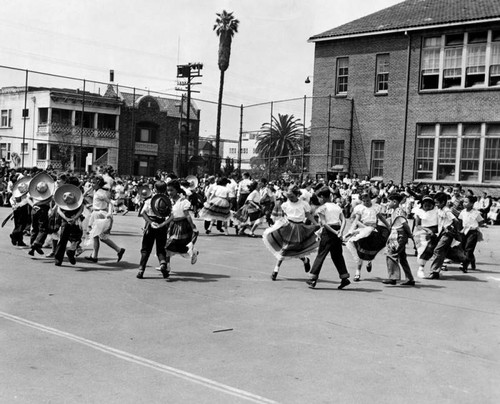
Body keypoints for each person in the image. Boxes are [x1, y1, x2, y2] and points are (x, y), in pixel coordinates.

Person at [262, 185, 319, 281]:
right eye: (288, 197)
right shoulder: (285, 204)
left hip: (299, 228)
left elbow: (308, 214)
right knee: (285, 249)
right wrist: (277, 224)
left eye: (292, 196)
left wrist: (315, 223)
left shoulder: (303, 204)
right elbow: (283, 216)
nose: (290, 198)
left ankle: (305, 260)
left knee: (296, 249)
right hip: (288, 227)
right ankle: (276, 270)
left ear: (297, 195)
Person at [306, 187, 350, 289]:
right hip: (337, 229)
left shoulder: (322, 208)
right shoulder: (337, 206)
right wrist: (340, 232)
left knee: (321, 254)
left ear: (322, 197)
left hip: (328, 232)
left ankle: (313, 278)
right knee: (337, 255)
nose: (319, 200)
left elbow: (324, 223)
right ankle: (344, 277)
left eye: (319, 198)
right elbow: (343, 220)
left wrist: (335, 232)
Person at [344, 191, 390, 281]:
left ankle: (369, 260)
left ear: (370, 199)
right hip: (363, 228)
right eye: (364, 201)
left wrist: (388, 226)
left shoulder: (375, 207)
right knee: (359, 249)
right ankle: (358, 272)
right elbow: (357, 221)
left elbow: (381, 218)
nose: (366, 202)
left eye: (368, 200)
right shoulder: (360, 208)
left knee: (373, 247)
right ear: (362, 201)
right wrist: (364, 228)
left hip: (374, 229)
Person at [160, 180, 199, 279]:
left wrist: (193, 226)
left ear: (177, 190)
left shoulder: (184, 201)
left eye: (171, 190)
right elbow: (169, 216)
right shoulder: (169, 201)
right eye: (168, 191)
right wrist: (163, 224)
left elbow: (187, 215)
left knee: (179, 245)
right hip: (172, 226)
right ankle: (167, 266)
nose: (169, 193)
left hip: (182, 226)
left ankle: (193, 251)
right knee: (167, 245)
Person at [85, 176, 125, 263]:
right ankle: (95, 256)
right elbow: (94, 201)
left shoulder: (100, 193)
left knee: (100, 237)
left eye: (94, 183)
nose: (92, 184)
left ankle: (118, 250)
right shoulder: (97, 191)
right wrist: (91, 205)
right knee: (97, 236)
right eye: (91, 182)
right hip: (96, 213)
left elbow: (110, 203)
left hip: (99, 214)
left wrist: (110, 213)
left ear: (98, 183)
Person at [426, 192, 460, 280]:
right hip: (441, 232)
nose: (436, 204)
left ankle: (434, 271)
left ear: (443, 202)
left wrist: (456, 232)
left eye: (437, 203)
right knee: (442, 251)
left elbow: (455, 220)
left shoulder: (446, 210)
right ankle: (437, 270)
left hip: (448, 233)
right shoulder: (439, 210)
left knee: (438, 250)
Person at [383, 193, 415, 286]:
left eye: (389, 201)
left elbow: (405, 224)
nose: (387, 203)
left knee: (391, 254)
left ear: (394, 202)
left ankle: (393, 278)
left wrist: (410, 235)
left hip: (399, 235)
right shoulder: (394, 211)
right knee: (402, 257)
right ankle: (410, 279)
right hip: (396, 234)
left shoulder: (398, 212)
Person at [53, 184, 85, 267]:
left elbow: (59, 211)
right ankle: (71, 250)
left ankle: (58, 259)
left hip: (65, 222)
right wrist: (74, 218)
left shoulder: (61, 204)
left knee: (62, 240)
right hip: (76, 222)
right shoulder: (79, 203)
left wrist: (66, 219)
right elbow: (81, 209)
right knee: (76, 238)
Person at [413, 196, 439, 279]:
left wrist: (433, 231)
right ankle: (421, 269)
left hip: (435, 232)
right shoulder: (419, 212)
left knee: (437, 249)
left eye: (429, 204)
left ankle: (437, 267)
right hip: (422, 232)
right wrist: (427, 230)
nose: (427, 206)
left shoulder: (436, 211)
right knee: (423, 249)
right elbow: (418, 225)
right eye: (425, 204)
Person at [458, 195, 485, 272]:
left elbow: (481, 222)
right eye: (464, 202)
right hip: (464, 231)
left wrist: (475, 227)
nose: (464, 203)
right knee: (463, 248)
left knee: (469, 248)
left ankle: (464, 266)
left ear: (472, 203)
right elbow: (460, 221)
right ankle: (472, 260)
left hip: (473, 232)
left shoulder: (476, 213)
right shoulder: (463, 212)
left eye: (466, 202)